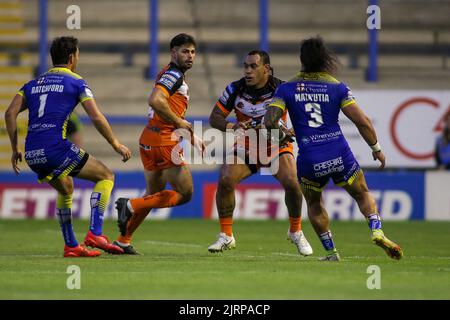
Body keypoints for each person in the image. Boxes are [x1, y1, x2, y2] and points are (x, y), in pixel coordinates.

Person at [265, 36, 403, 261]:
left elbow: (269, 122)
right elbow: (363, 121)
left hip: (310, 158)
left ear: (302, 59)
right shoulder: (337, 87)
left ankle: (331, 252)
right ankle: (377, 230)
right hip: (339, 152)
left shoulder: (286, 88)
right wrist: (376, 148)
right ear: (325, 58)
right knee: (362, 193)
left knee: (314, 203)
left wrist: (282, 137)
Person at [4, 36, 132, 257]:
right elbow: (96, 117)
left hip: (33, 153)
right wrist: (115, 143)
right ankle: (95, 233)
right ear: (73, 57)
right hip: (55, 148)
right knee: (105, 175)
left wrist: (15, 147)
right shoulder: (76, 82)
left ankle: (71, 245)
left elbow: (9, 113)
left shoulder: (32, 84)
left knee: (66, 188)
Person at [206, 50, 313, 256]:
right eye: (245, 66)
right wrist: (232, 126)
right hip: (247, 145)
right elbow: (215, 117)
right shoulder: (235, 88)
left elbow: (304, 116)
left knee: (292, 183)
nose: (247, 70)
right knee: (226, 179)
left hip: (276, 145)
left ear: (267, 69)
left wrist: (293, 130)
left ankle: (296, 231)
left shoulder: (283, 88)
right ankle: (226, 235)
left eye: (253, 66)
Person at [114, 33, 203, 254]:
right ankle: (130, 205)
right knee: (186, 193)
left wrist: (190, 135)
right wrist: (180, 122)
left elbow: (165, 106)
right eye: (185, 51)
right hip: (164, 141)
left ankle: (123, 240)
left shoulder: (169, 73)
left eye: (193, 52)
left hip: (149, 140)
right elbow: (155, 100)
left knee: (153, 194)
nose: (190, 56)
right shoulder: (174, 75)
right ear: (173, 53)